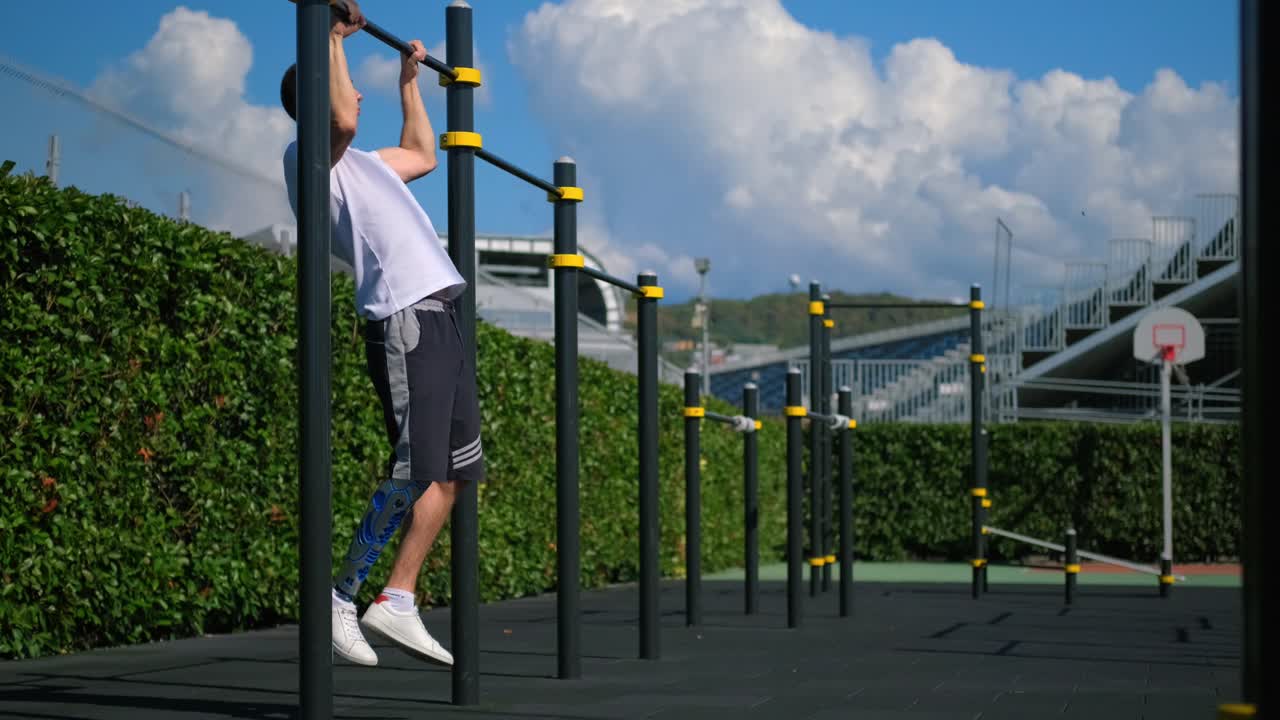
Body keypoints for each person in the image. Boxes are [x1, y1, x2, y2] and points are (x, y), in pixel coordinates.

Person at [279, 0, 482, 667]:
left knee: (452, 475)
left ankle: (396, 599)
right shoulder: (314, 156)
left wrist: (408, 83)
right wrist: (333, 39)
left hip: (442, 313)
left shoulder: (364, 162)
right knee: (414, 466)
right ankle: (339, 597)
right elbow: (338, 113)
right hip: (403, 317)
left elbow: (424, 153)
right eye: (344, 82)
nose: (356, 95)